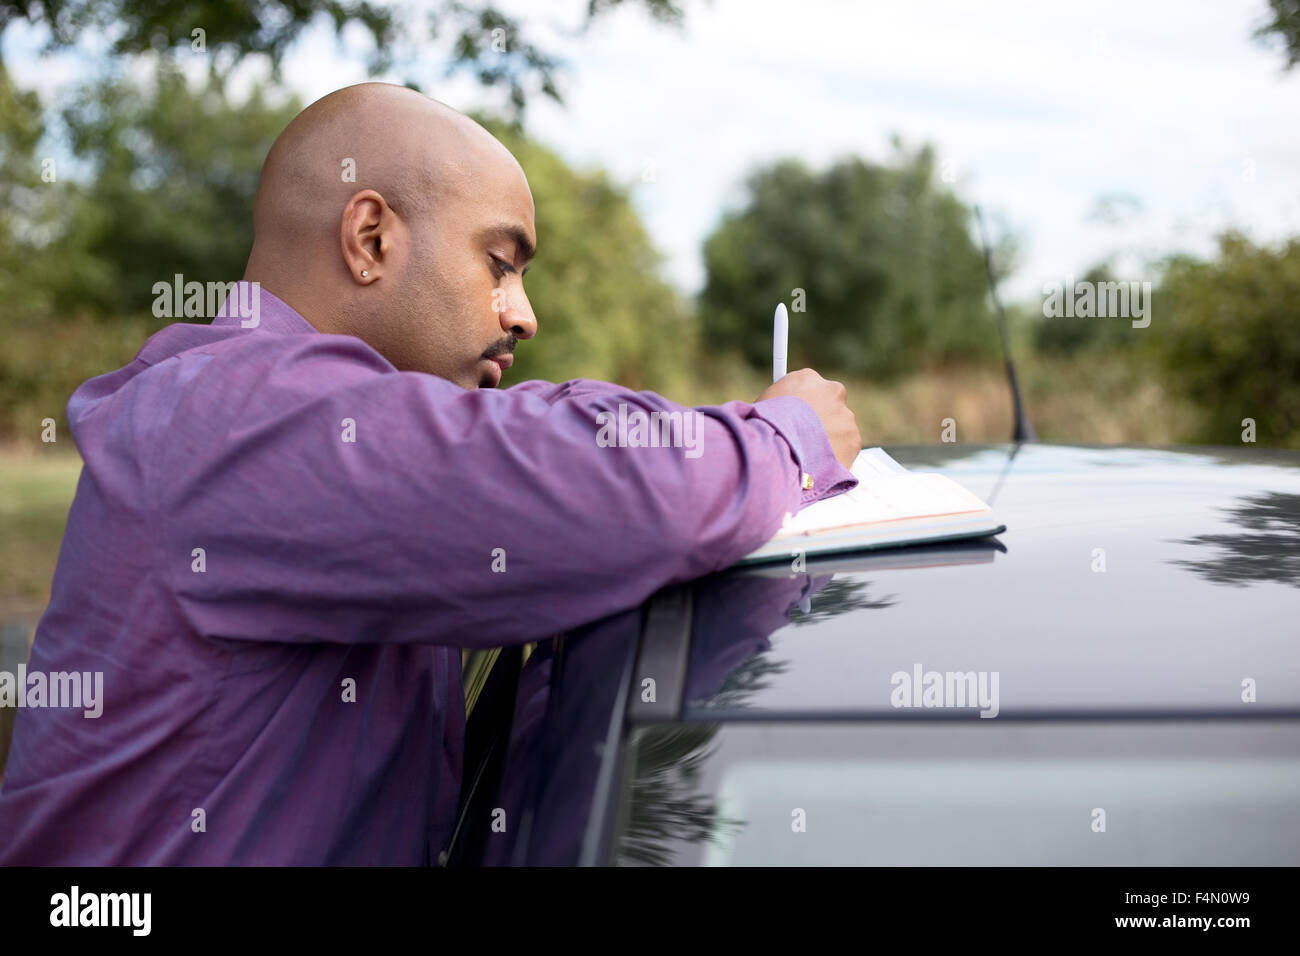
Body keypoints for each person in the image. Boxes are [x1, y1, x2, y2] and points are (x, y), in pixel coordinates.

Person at [0, 82, 859, 864]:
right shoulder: (239, 411)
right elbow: (626, 484)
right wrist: (788, 437)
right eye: (501, 263)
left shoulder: (317, 445)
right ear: (370, 238)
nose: (523, 314)